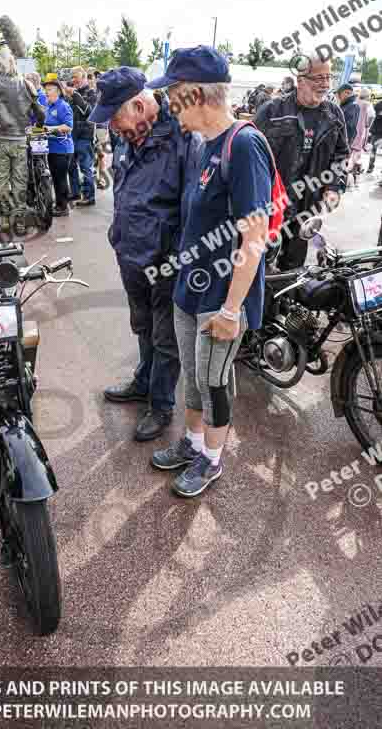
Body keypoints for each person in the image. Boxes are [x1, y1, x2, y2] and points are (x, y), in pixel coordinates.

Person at [147, 45, 272, 497]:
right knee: (194, 377)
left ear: (195, 94)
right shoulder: (204, 145)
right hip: (191, 288)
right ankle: (195, 442)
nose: (167, 103)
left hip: (221, 297)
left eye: (172, 94)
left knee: (213, 380)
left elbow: (254, 237)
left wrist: (232, 308)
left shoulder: (244, 144)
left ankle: (212, 459)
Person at [90, 67, 201, 442]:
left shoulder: (184, 136)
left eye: (115, 118)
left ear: (139, 105)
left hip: (167, 259)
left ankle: (161, 405)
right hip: (131, 251)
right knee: (142, 325)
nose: (112, 129)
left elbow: (194, 205)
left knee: (166, 337)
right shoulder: (130, 135)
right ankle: (143, 381)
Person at [255, 54, 349, 269]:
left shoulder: (333, 114)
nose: (325, 84)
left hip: (308, 207)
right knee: (260, 265)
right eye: (319, 78)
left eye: (328, 77)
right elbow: (250, 156)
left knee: (294, 266)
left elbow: (341, 154)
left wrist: (334, 186)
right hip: (272, 207)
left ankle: (287, 300)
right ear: (300, 80)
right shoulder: (272, 111)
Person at [0, 48, 45, 232]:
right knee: (20, 180)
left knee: (0, 180)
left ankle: (4, 219)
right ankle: (19, 220)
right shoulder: (27, 84)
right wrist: (37, 127)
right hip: (19, 139)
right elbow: (40, 113)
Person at [43, 77, 74, 217]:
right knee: (55, 177)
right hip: (52, 148)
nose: (46, 92)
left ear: (57, 91)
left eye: (49, 90)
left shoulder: (63, 106)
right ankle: (59, 204)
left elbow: (68, 127)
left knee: (61, 178)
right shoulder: (49, 106)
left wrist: (50, 129)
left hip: (63, 148)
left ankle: (64, 207)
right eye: (46, 89)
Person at [70, 65, 97, 206]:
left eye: (76, 77)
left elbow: (89, 111)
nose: (74, 80)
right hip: (73, 134)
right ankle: (75, 193)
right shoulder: (74, 92)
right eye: (72, 77)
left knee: (86, 166)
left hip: (85, 135)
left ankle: (89, 196)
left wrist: (75, 95)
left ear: (84, 77)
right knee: (71, 165)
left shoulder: (91, 93)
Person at [367, 98, 382, 175]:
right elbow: (373, 116)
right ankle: (370, 167)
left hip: (377, 131)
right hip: (376, 131)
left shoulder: (377, 104)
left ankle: (370, 167)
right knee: (373, 150)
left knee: (373, 150)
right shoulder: (378, 105)